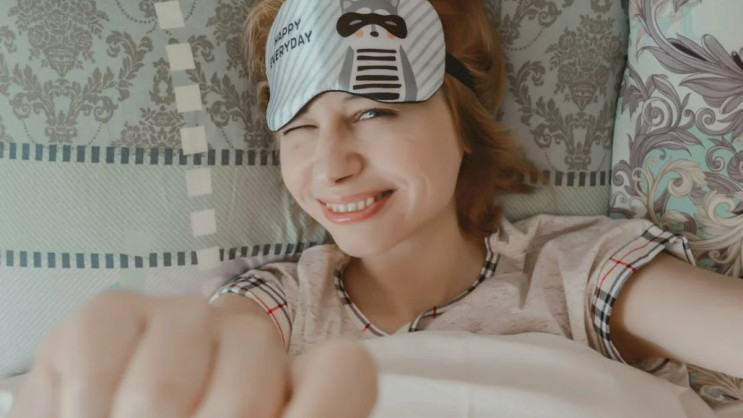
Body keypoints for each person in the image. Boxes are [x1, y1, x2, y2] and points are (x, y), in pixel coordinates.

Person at [10, 0, 743, 416]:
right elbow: (210, 355)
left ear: (462, 123)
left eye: (372, 112)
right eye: (299, 129)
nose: (331, 165)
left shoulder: (576, 270)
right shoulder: (283, 302)